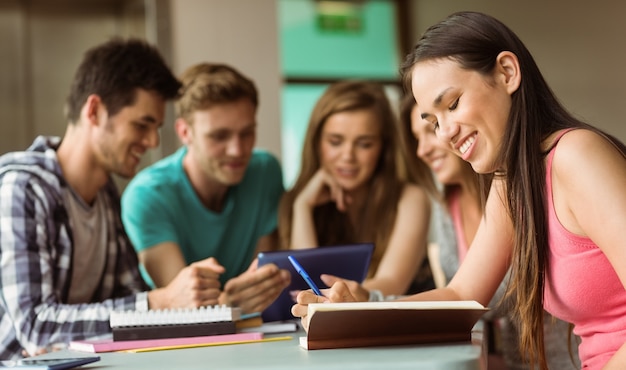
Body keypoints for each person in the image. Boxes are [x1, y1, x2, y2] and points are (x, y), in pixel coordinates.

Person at [292, 11, 626, 370]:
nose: (445, 133)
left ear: (507, 73)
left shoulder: (578, 155)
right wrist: (354, 314)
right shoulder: (511, 183)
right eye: (434, 121)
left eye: (452, 105)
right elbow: (461, 296)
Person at [0, 38, 227, 360]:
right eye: (142, 124)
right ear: (94, 110)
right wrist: (160, 302)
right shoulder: (22, 188)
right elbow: (36, 326)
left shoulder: (105, 193)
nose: (151, 141)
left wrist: (198, 301)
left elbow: (129, 296)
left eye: (157, 127)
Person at [401, 94, 579, 369]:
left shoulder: (547, 176)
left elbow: (472, 298)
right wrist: (358, 309)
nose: (422, 150)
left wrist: (369, 306)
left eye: (432, 128)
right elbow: (459, 297)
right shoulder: (447, 205)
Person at [121, 63, 290, 315]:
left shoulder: (265, 172)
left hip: (256, 332)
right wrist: (228, 304)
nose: (237, 150)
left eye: (247, 133)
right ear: (185, 132)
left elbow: (263, 283)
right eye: (219, 136)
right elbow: (184, 306)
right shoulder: (147, 195)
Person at [278, 80, 437, 299]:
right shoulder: (297, 201)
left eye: (364, 144)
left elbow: (391, 284)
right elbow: (308, 286)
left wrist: (337, 295)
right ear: (316, 143)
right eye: (335, 142)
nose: (347, 156)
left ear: (383, 148)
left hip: (403, 329)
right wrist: (303, 207)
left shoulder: (410, 199)